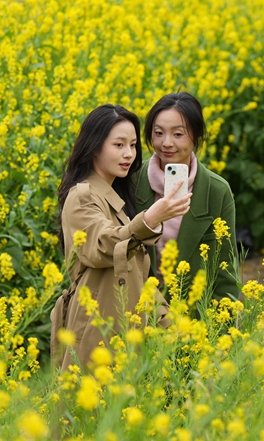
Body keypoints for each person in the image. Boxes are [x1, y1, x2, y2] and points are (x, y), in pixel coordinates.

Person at [51, 104, 190, 370]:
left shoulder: (114, 198)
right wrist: (150, 219)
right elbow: (103, 246)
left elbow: (137, 279)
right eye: (119, 145)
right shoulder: (82, 196)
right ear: (94, 147)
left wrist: (171, 325)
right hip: (96, 335)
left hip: (122, 332)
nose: (129, 154)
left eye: (133, 145)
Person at [135, 92, 239, 311]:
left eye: (178, 134)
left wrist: (222, 326)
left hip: (192, 315)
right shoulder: (131, 180)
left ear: (196, 135)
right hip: (137, 310)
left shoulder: (217, 191)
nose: (167, 143)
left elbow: (225, 272)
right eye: (159, 133)